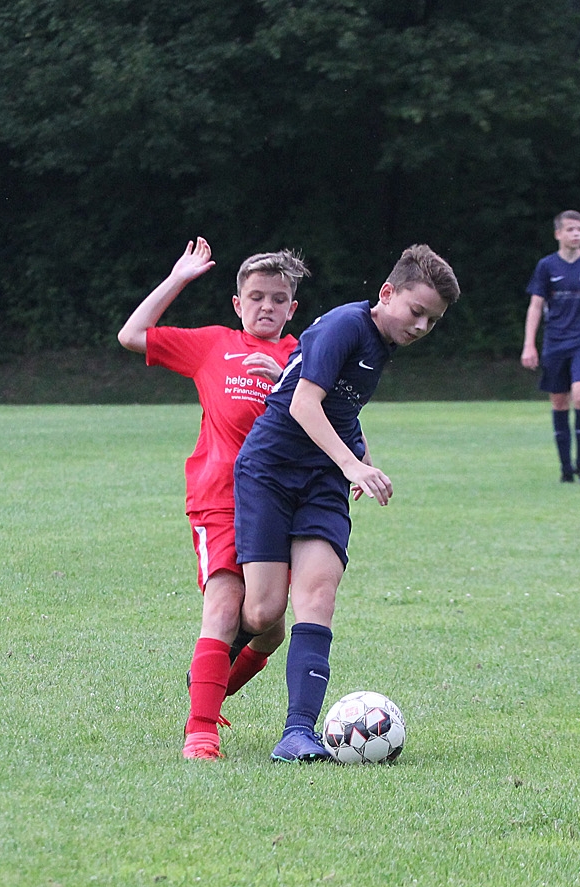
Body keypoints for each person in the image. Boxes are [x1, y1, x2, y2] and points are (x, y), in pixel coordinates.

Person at [234, 244, 459, 762]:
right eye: (416, 311)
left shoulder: (383, 344)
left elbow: (339, 402)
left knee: (317, 593)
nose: (422, 326)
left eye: (433, 320)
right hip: (269, 471)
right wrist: (353, 464)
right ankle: (208, 682)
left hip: (322, 482)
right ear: (387, 293)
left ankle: (297, 733)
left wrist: (360, 457)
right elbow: (303, 402)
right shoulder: (344, 325)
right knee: (264, 610)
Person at [118, 238, 311, 760]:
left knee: (269, 629)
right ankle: (200, 733)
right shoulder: (212, 344)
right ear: (237, 303)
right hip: (221, 499)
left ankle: (207, 686)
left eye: (277, 299)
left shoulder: (302, 355)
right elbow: (131, 334)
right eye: (256, 297)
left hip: (281, 504)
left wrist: (287, 385)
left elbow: (326, 425)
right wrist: (179, 278)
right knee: (224, 609)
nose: (266, 307)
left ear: (292, 308)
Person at [521, 210, 580, 483]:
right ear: (558, 234)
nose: (576, 234)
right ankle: (566, 470)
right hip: (555, 342)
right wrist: (529, 344)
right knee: (560, 402)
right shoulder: (547, 266)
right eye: (571, 229)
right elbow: (536, 305)